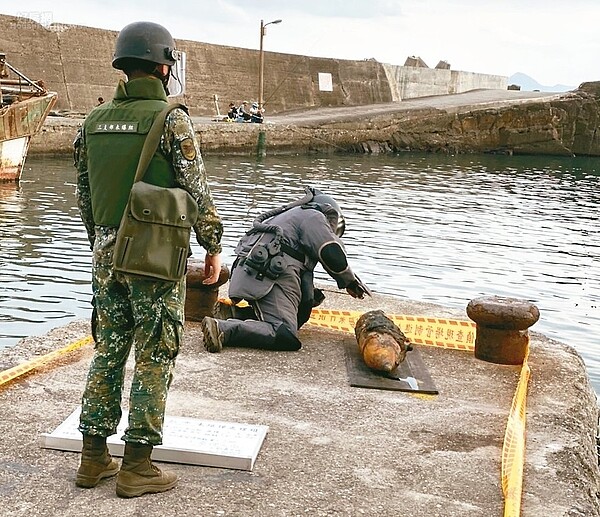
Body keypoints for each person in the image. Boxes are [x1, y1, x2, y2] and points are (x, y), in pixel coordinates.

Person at [73, 21, 223, 498]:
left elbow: (84, 195)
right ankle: (137, 465)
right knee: (156, 351)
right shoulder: (172, 118)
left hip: (105, 251)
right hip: (154, 254)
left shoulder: (92, 122)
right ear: (164, 64)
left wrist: (102, 240)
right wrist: (212, 244)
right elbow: (196, 191)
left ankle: (93, 459)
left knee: (109, 347)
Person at [201, 187, 370, 353]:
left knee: (290, 320)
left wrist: (308, 296)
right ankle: (224, 329)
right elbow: (330, 252)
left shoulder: (286, 217)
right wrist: (350, 281)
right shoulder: (314, 216)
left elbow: (301, 270)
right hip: (267, 276)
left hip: (250, 274)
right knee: (284, 334)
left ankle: (236, 314)